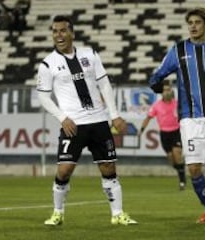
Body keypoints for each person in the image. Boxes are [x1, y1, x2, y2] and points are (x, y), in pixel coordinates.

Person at [36, 15, 137, 226]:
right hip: (73, 124)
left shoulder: (89, 54)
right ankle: (57, 213)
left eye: (63, 30)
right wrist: (63, 118)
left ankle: (117, 214)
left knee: (108, 168)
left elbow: (105, 85)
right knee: (64, 170)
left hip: (99, 121)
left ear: (72, 33)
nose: (59, 35)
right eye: (55, 31)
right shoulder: (48, 64)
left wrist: (114, 114)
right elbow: (43, 97)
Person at [149, 7, 205, 223]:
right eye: (190, 23)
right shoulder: (178, 50)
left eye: (197, 22)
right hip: (189, 118)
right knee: (194, 168)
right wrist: (156, 83)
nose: (193, 26)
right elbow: (158, 74)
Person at [140, 83, 186, 190]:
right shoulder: (156, 105)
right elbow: (148, 118)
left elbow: (185, 115)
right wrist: (142, 129)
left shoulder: (177, 104)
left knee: (177, 154)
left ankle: (182, 181)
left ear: (171, 91)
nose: (167, 92)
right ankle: (180, 168)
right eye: (165, 90)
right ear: (162, 93)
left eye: (169, 90)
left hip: (176, 132)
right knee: (171, 159)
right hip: (164, 134)